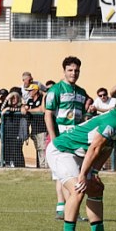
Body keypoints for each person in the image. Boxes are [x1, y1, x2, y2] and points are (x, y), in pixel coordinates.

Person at [47, 87, 116, 231]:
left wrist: (94, 172)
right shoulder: (113, 120)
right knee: (78, 188)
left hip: (78, 154)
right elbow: (94, 148)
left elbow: (108, 148)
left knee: (96, 188)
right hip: (62, 151)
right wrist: (84, 175)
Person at [42, 56, 89, 221]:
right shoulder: (55, 90)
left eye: (76, 70)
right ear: (64, 71)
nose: (73, 73)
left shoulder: (82, 93)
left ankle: (66, 209)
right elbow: (48, 115)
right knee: (61, 174)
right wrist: (54, 138)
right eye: (70, 70)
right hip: (60, 138)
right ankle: (64, 208)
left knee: (70, 174)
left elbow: (82, 117)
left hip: (76, 140)